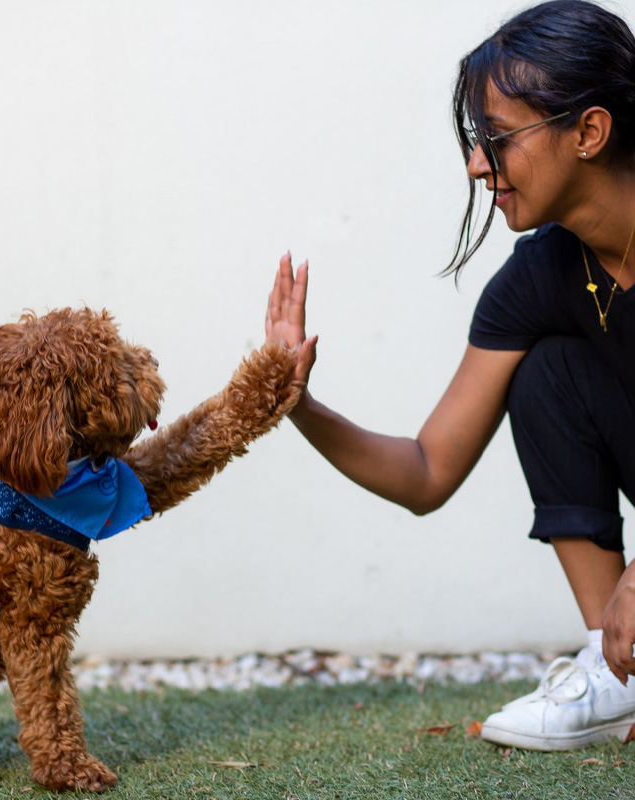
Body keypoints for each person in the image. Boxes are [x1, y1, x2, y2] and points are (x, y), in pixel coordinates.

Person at [265, 0, 635, 752]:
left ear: (589, 133)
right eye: (476, 142)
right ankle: (617, 674)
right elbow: (427, 472)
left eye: (496, 139)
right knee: (546, 372)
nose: (476, 165)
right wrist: (298, 404)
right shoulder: (540, 278)